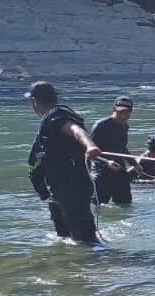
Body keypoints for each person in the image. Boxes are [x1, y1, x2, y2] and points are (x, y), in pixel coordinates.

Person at [25, 81, 102, 245]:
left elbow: (76, 130)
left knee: (85, 240)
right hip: (58, 189)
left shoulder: (59, 115)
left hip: (72, 188)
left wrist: (90, 146)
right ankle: (68, 267)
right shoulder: (49, 120)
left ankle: (99, 266)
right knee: (65, 238)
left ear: (34, 102)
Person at [90, 98, 135, 205]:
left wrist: (135, 164)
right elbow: (89, 152)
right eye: (121, 112)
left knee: (125, 204)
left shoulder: (125, 126)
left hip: (119, 169)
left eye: (127, 112)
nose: (124, 115)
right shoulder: (101, 125)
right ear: (114, 109)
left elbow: (122, 148)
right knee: (97, 205)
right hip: (101, 170)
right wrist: (106, 162)